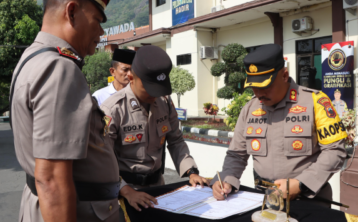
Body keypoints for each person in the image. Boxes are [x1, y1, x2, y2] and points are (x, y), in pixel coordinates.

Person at [10, 0, 121, 221]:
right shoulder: (59, 68)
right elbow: (51, 181)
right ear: (71, 12)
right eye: (98, 20)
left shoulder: (33, 57)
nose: (101, 32)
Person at [211, 44, 347, 207]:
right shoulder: (249, 108)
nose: (259, 93)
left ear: (284, 75)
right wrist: (227, 179)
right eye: (254, 87)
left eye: (265, 86)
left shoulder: (316, 102)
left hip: (308, 200)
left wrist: (301, 184)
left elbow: (334, 151)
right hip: (265, 200)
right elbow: (237, 154)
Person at [100, 45, 208, 212]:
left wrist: (191, 172)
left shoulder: (164, 102)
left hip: (158, 188)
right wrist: (126, 191)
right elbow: (102, 159)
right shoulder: (113, 109)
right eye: (150, 89)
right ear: (131, 78)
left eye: (159, 89)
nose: (155, 95)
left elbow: (175, 140)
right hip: (125, 192)